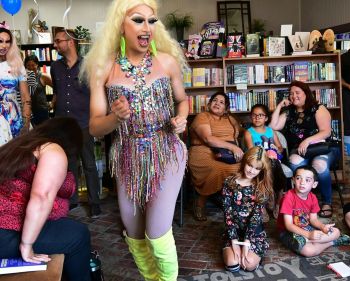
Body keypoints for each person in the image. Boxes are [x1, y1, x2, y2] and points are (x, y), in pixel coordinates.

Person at [82, 1, 189, 280]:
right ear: (121, 25)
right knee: (134, 233)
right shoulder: (102, 69)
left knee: (156, 231)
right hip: (127, 155)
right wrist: (115, 118)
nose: (147, 27)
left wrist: (182, 118)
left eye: (152, 21)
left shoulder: (166, 61)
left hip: (166, 150)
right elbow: (94, 127)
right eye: (139, 20)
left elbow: (183, 100)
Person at [0, 117, 91, 281]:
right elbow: (42, 197)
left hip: (4, 227)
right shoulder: (53, 149)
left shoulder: (22, 145)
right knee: (78, 235)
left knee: (68, 229)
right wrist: (27, 245)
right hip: (3, 233)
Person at [51, 27, 102, 217]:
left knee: (89, 164)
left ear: (70, 42)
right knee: (69, 165)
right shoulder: (55, 67)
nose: (55, 44)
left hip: (84, 124)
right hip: (62, 126)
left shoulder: (88, 67)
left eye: (58, 41)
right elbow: (57, 92)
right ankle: (71, 201)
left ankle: (94, 202)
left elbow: (97, 96)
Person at [270, 80, 339, 218]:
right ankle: (304, 199)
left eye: (297, 92)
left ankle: (326, 202)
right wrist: (279, 106)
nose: (293, 96)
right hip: (302, 151)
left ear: (306, 93)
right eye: (291, 94)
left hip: (323, 148)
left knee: (319, 165)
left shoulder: (318, 108)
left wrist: (307, 140)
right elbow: (273, 127)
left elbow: (326, 132)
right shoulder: (289, 112)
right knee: (295, 163)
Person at [189, 92, 243, 221]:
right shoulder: (203, 116)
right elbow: (208, 139)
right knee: (218, 168)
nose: (217, 103)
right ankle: (200, 202)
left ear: (226, 108)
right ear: (209, 104)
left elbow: (240, 132)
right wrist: (233, 147)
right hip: (204, 152)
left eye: (221, 102)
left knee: (245, 168)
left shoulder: (230, 119)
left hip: (227, 154)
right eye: (214, 100)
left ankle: (240, 204)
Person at [278, 166, 350, 257]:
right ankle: (331, 242)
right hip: (287, 232)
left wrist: (323, 227)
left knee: (336, 232)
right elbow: (288, 225)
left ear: (314, 184)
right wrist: (308, 234)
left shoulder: (313, 198)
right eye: (298, 178)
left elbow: (313, 220)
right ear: (293, 180)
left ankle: (316, 241)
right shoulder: (288, 197)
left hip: (306, 228)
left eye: (307, 180)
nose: (302, 182)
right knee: (309, 251)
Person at [222, 147, 273, 272]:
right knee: (233, 265)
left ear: (262, 170)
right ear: (244, 162)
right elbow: (227, 213)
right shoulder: (230, 182)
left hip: (253, 233)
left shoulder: (261, 187)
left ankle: (256, 255)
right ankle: (228, 249)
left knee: (248, 265)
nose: (252, 171)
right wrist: (234, 241)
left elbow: (256, 218)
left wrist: (246, 243)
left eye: (257, 168)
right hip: (233, 231)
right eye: (250, 165)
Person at [244, 103, 286, 217]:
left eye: (261, 115)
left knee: (274, 165)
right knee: (270, 166)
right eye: (254, 115)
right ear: (251, 117)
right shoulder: (249, 132)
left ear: (266, 118)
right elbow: (251, 151)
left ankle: (277, 203)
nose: (257, 118)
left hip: (274, 160)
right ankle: (264, 204)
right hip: (258, 161)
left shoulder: (270, 131)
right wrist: (264, 154)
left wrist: (276, 149)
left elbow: (281, 148)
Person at [0, 27, 32, 145]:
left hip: (14, 120)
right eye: (0, 41)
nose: (4, 45)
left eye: (7, 41)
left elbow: (25, 96)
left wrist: (26, 123)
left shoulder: (17, 65)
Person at [24, 55, 52, 126]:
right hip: (28, 111)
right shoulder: (23, 78)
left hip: (42, 111)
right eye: (28, 65)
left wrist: (52, 103)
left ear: (37, 65)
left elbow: (57, 89)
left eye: (33, 65)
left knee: (43, 134)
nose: (30, 68)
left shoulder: (43, 76)